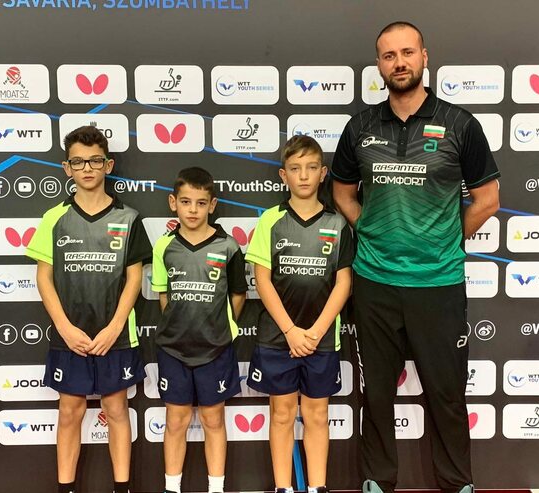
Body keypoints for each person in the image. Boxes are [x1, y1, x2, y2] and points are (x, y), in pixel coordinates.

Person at [331, 21, 501, 493]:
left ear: (425, 57)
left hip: (438, 284)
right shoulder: (360, 127)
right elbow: (342, 193)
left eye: (407, 53)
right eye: (389, 56)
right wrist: (372, 230)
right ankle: (377, 481)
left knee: (447, 394)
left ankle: (457, 483)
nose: (399, 62)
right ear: (379, 65)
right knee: (376, 394)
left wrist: (442, 238)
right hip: (375, 283)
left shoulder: (460, 124)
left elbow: (487, 200)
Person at [27, 125, 149, 493]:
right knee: (69, 412)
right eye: (78, 162)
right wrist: (64, 327)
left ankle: (122, 488)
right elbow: (43, 278)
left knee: (116, 410)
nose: (87, 169)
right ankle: (65, 488)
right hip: (71, 334)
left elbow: (135, 279)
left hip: (116, 336)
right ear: (67, 168)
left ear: (108, 165)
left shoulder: (129, 218)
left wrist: (115, 327)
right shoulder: (54, 218)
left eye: (95, 161)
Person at [246, 135, 354, 493]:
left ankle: (317, 487)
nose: (303, 176)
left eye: (311, 168)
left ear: (323, 173)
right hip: (278, 338)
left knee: (317, 415)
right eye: (295, 169)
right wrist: (291, 331)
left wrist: (315, 332)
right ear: (283, 175)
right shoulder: (270, 221)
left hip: (321, 339)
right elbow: (262, 280)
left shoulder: (337, 224)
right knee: (280, 415)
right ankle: (283, 487)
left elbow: (343, 284)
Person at [151, 167, 248, 493]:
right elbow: (164, 295)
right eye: (186, 202)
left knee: (213, 419)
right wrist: (181, 326)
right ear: (173, 203)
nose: (193, 210)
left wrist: (219, 328)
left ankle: (216, 488)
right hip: (174, 349)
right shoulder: (164, 246)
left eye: (201, 203)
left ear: (212, 205)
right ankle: (172, 488)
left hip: (215, 349)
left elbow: (238, 295)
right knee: (175, 421)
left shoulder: (228, 246)